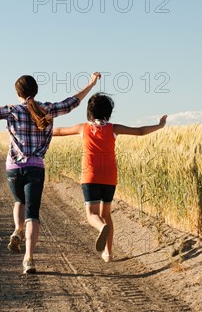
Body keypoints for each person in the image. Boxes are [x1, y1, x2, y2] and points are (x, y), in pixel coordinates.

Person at [0, 72, 101, 274]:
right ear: (36, 91)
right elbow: (73, 102)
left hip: (14, 168)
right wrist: (91, 83)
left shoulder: (12, 111)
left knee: (19, 201)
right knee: (32, 215)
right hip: (35, 168)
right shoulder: (48, 109)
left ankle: (17, 231)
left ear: (17, 93)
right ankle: (29, 259)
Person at [53, 92, 167, 262]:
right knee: (106, 213)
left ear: (89, 112)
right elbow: (140, 131)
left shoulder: (83, 128)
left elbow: (60, 131)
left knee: (92, 214)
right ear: (108, 112)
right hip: (109, 177)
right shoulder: (113, 128)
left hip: (90, 176)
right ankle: (108, 253)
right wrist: (159, 125)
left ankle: (101, 228)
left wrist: (38, 127)